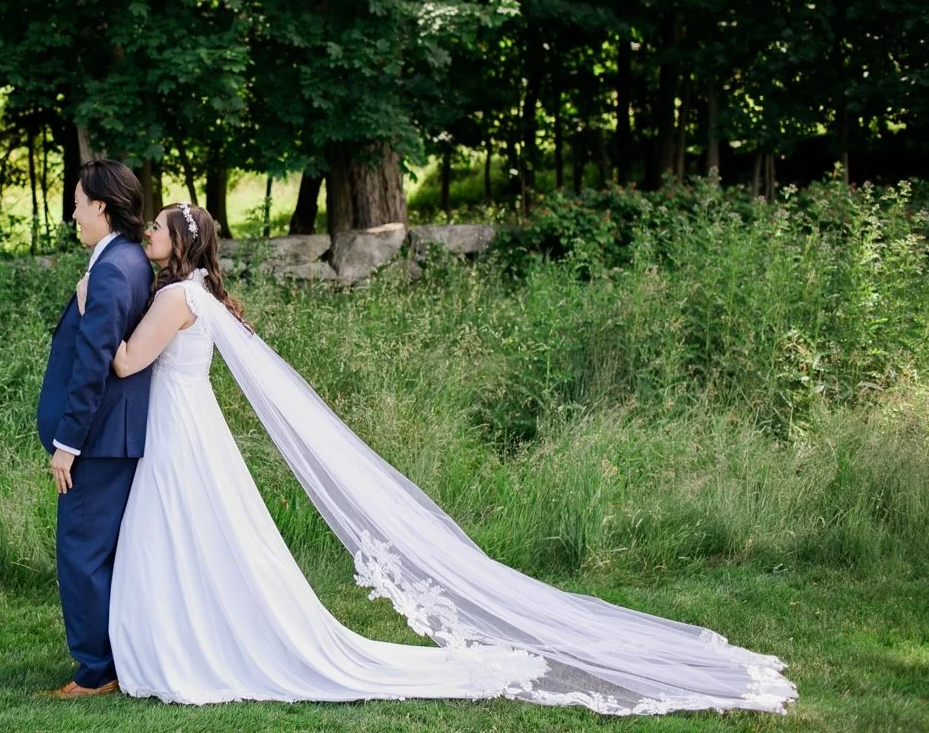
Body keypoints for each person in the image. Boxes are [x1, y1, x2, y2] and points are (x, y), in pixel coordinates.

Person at [73, 201, 798, 715]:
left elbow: (131, 362)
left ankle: (186, 646)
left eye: (159, 230)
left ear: (180, 242)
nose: (149, 238)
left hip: (177, 429)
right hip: (189, 428)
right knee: (199, 536)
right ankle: (189, 636)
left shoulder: (175, 300)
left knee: (179, 532)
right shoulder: (197, 292)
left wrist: (87, 308)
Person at [34, 159, 153, 699]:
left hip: (98, 440)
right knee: (102, 551)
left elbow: (94, 362)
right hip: (116, 435)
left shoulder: (111, 269)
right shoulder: (130, 261)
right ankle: (115, 657)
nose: (74, 214)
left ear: (100, 207)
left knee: (80, 552)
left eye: (79, 203)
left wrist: (67, 445)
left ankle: (96, 671)